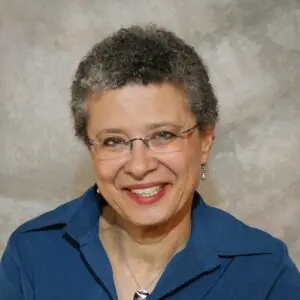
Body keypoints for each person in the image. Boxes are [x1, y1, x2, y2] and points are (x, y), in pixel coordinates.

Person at [1, 24, 299, 300]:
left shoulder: (263, 273)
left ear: (206, 141)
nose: (139, 166)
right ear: (90, 149)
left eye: (163, 135)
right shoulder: (32, 254)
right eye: (113, 141)